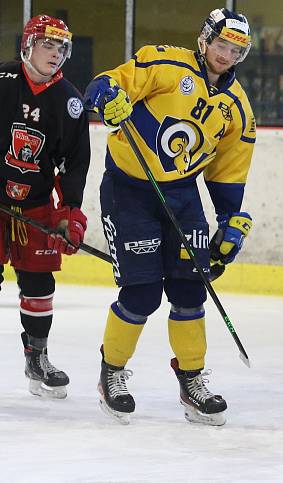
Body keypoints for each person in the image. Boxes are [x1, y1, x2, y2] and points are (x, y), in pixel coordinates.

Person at [82, 7, 256, 426]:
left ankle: (192, 378)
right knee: (142, 294)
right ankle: (112, 373)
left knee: (190, 290)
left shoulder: (238, 108)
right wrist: (108, 97)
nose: (226, 54)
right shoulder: (165, 63)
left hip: (182, 197)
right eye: (221, 45)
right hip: (129, 193)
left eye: (236, 49)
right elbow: (104, 83)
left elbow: (228, 170)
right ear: (205, 40)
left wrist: (231, 219)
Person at [0, 15, 90, 400]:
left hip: (35, 206)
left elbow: (73, 162)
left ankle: (36, 358)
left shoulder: (69, 101)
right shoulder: (2, 81)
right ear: (28, 45)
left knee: (39, 286)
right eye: (47, 46)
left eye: (60, 48)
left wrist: (69, 213)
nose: (55, 54)